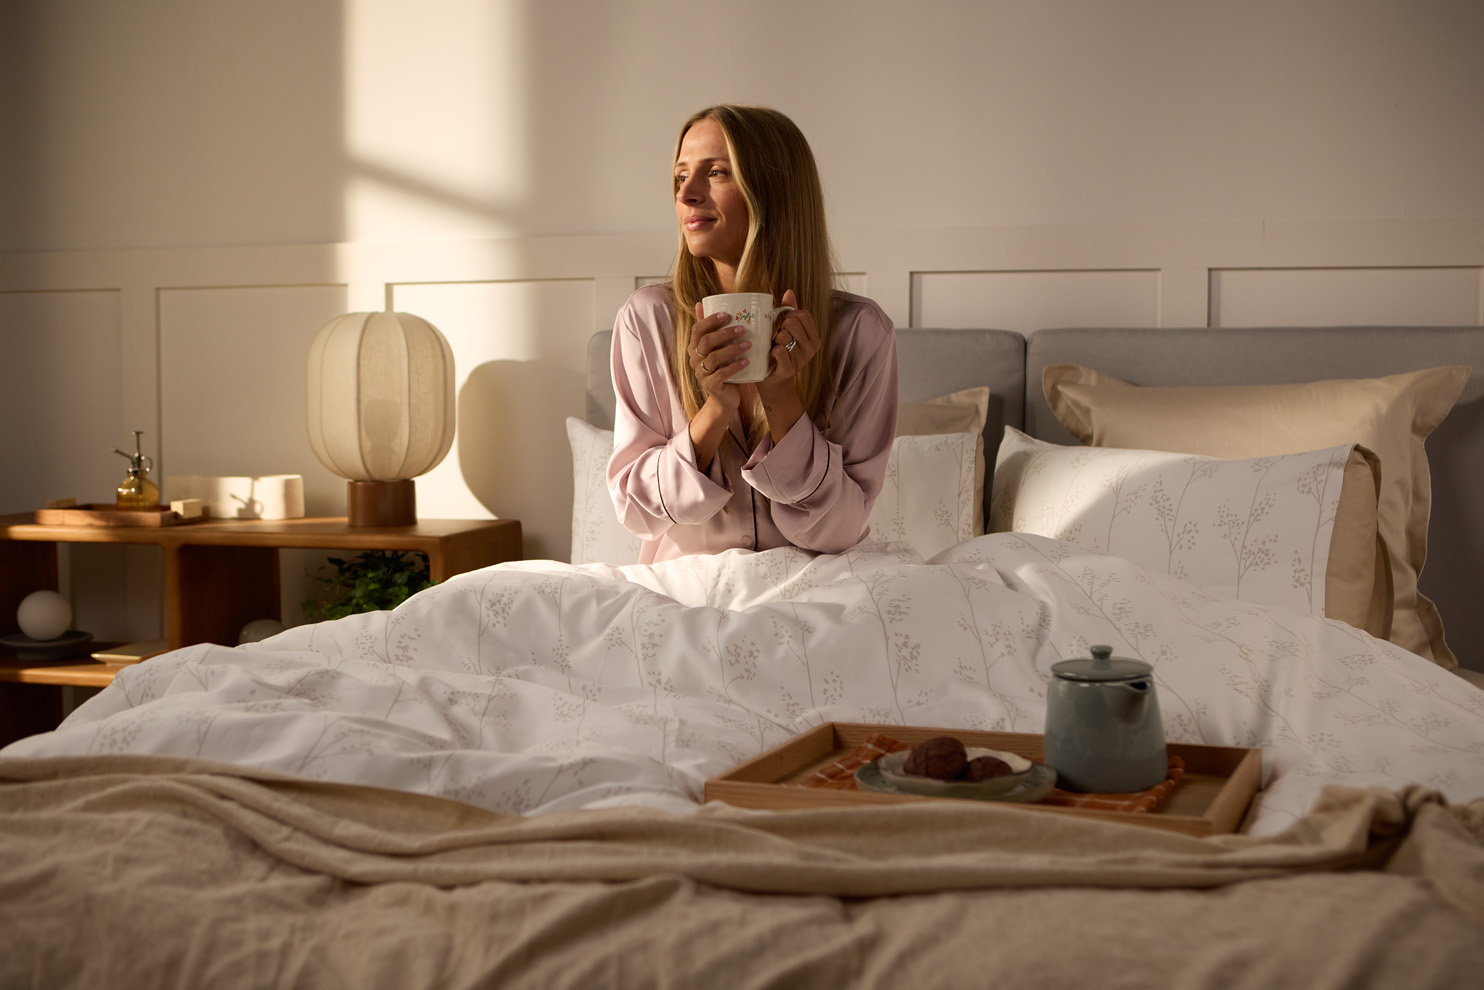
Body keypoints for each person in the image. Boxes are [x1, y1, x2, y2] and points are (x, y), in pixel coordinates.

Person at [607, 104, 898, 564]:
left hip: (817, 597)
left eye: (716, 172)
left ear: (774, 191)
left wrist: (784, 403)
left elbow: (841, 529)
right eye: (681, 177)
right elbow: (636, 512)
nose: (688, 195)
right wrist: (714, 409)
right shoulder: (647, 320)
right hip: (683, 600)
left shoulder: (861, 332)